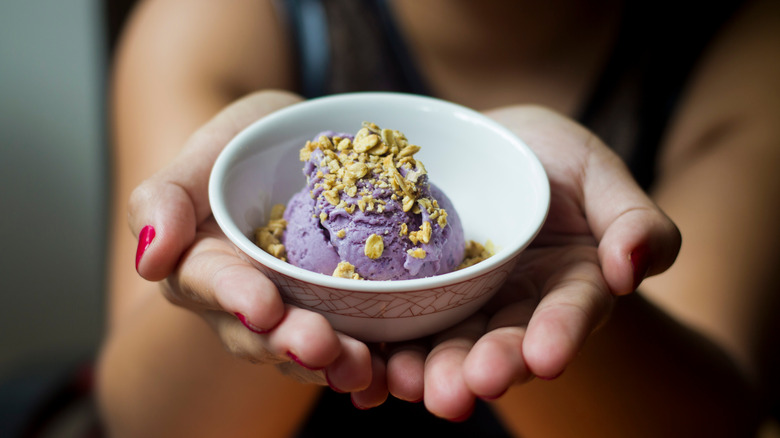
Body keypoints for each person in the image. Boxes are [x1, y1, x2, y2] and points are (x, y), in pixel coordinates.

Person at [96, 0, 780, 436]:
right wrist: (232, 262)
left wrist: (576, 283)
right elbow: (143, 422)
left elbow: (717, 420)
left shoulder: (746, 49)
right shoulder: (218, 19)